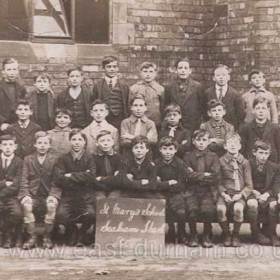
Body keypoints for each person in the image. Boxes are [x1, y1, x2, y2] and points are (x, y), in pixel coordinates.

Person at [19, 131, 60, 249]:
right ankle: (31, 238)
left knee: (51, 206)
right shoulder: (28, 159)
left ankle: (47, 237)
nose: (42, 146)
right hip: (32, 194)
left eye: (45, 143)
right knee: (26, 205)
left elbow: (57, 181)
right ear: (35, 145)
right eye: (40, 143)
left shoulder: (55, 159)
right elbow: (24, 180)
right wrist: (25, 195)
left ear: (50, 145)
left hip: (48, 194)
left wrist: (53, 195)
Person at [54, 129, 96, 245]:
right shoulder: (63, 158)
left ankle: (82, 232)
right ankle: (71, 229)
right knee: (60, 215)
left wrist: (70, 175)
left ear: (84, 142)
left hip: (85, 196)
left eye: (80, 139)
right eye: (74, 139)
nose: (77, 142)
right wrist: (83, 175)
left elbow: (91, 177)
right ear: (70, 141)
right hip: (68, 196)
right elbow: (59, 179)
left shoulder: (90, 157)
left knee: (91, 214)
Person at [183, 129, 220, 248]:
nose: (201, 143)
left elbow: (216, 177)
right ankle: (193, 235)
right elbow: (187, 176)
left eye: (204, 140)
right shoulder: (187, 156)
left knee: (208, 210)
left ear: (209, 142)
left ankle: (206, 235)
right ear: (193, 141)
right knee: (192, 210)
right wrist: (204, 175)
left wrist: (195, 175)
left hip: (207, 190)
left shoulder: (213, 156)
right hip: (192, 190)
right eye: (198, 140)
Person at [217, 132, 253, 247]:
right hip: (226, 193)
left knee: (238, 208)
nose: (233, 145)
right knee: (220, 209)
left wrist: (241, 195)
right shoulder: (220, 161)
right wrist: (223, 194)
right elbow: (217, 182)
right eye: (230, 143)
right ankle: (226, 234)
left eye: (236, 143)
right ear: (225, 146)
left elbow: (249, 185)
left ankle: (236, 234)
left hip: (239, 193)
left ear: (240, 146)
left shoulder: (245, 162)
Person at [247, 140, 280, 246]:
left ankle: (272, 233)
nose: (263, 156)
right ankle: (255, 232)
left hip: (267, 193)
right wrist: (252, 190)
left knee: (274, 205)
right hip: (251, 192)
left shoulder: (274, 167)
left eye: (266, 153)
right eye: (261, 153)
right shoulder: (248, 164)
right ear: (254, 152)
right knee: (252, 204)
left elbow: (276, 185)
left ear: (269, 153)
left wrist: (267, 194)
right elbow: (244, 181)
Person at [155, 136, 187, 244]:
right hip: (161, 193)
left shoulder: (180, 164)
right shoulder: (156, 164)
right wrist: (169, 183)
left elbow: (181, 185)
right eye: (164, 149)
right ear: (160, 149)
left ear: (175, 150)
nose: (167, 152)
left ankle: (182, 232)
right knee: (163, 205)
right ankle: (171, 230)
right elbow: (155, 185)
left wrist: (163, 184)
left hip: (176, 193)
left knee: (181, 210)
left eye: (170, 149)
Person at [165, 57, 204, 132]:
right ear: (176, 70)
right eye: (180, 68)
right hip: (175, 125)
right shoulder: (169, 87)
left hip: (193, 125)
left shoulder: (197, 86)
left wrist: (199, 122)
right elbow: (166, 106)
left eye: (186, 68)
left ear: (190, 71)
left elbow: (202, 107)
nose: (183, 70)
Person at [92, 55, 129, 129]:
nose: (112, 69)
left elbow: (127, 103)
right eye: (109, 67)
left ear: (117, 68)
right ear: (103, 68)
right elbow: (94, 103)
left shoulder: (124, 85)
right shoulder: (98, 85)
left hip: (119, 119)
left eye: (114, 66)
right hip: (104, 119)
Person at [204, 64, 245, 130]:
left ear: (229, 77)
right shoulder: (207, 93)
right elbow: (204, 112)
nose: (221, 77)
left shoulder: (236, 95)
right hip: (211, 130)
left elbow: (240, 115)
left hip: (229, 130)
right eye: (218, 75)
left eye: (224, 75)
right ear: (214, 78)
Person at [240, 96, 280, 163]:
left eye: (263, 108)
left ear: (268, 110)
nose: (261, 111)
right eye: (258, 108)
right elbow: (242, 149)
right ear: (253, 110)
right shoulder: (246, 128)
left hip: (271, 164)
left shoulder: (275, 128)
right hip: (252, 165)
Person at [0, 135, 23, 248]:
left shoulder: (19, 162)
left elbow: (16, 184)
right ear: (0, 146)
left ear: (15, 147)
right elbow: (9, 183)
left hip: (12, 196)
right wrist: (4, 183)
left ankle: (6, 232)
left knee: (17, 214)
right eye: (4, 145)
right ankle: (6, 236)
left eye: (10, 145)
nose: (7, 147)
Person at [129, 61, 165, 129]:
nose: (148, 74)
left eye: (151, 71)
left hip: (155, 123)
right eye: (145, 71)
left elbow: (162, 107)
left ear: (155, 74)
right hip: (138, 122)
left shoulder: (160, 89)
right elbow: (130, 106)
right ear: (140, 73)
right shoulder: (134, 88)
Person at [94, 130, 123, 199]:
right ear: (96, 143)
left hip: (115, 188)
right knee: (100, 201)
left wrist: (101, 178)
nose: (105, 143)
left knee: (112, 200)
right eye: (102, 141)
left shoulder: (119, 158)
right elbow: (93, 178)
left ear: (113, 142)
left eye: (108, 140)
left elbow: (118, 178)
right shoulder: (93, 159)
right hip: (98, 189)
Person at [0, 58, 27, 131]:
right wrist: (2, 122)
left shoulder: (21, 87)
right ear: (3, 71)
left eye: (14, 69)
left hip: (17, 125)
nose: (12, 73)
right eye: (9, 70)